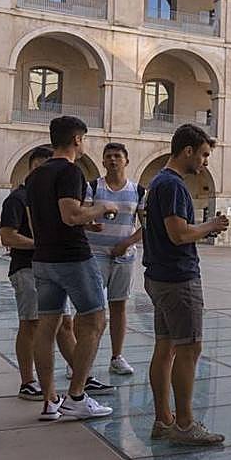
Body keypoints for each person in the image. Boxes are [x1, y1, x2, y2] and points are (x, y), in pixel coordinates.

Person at [143, 124, 230, 445]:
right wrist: (211, 225)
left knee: (165, 348)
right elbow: (178, 234)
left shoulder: (158, 182)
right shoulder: (174, 186)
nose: (205, 162)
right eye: (204, 154)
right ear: (188, 150)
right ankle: (184, 425)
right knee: (189, 349)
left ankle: (163, 420)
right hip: (178, 278)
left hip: (158, 275)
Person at [26, 116, 115, 421]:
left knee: (46, 328)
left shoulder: (35, 176)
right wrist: (102, 207)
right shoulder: (70, 170)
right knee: (94, 322)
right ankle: (76, 395)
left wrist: (86, 219)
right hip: (72, 258)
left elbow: (47, 217)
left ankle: (50, 400)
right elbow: (69, 215)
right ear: (78, 139)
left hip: (43, 259)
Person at [1, 146, 80, 401]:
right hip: (27, 268)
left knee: (65, 325)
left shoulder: (50, 199)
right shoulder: (18, 198)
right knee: (31, 325)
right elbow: (7, 236)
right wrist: (41, 243)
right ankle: (27, 381)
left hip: (53, 268)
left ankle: (81, 377)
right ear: (34, 168)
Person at [85, 142, 144, 377]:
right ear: (102, 161)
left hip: (125, 258)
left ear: (126, 161)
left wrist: (127, 243)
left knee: (118, 307)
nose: (113, 160)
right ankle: (81, 360)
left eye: (117, 156)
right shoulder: (92, 187)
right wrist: (91, 223)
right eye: (108, 156)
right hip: (95, 256)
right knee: (91, 309)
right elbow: (81, 215)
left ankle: (116, 357)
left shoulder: (138, 191)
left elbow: (146, 227)